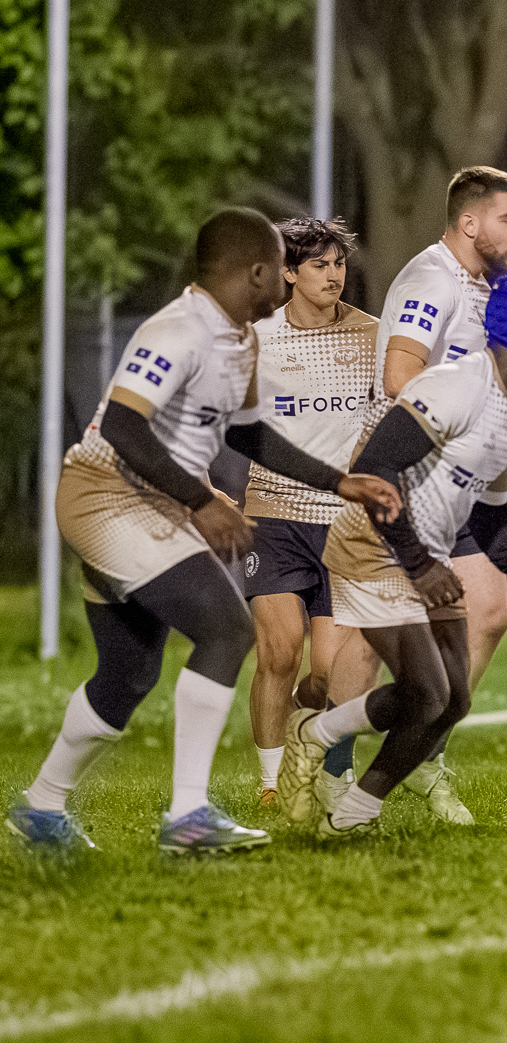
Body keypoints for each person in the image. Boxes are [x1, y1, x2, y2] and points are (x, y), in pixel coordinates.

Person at [5, 208, 399, 854]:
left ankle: (42, 809)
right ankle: (187, 816)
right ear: (257, 272)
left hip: (153, 503)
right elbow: (126, 429)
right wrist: (202, 500)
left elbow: (247, 434)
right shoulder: (179, 331)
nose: (292, 274)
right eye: (281, 264)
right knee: (227, 628)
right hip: (107, 495)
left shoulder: (240, 337)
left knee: (128, 676)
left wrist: (338, 481)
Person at [279, 273, 507, 839]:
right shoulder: (456, 385)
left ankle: (314, 737)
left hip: (421, 555)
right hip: (373, 545)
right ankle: (349, 818)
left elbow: (489, 521)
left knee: (451, 701)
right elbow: (374, 468)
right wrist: (419, 562)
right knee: (428, 693)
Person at [341, 164, 507, 821]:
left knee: (488, 614)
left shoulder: (485, 286)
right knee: (369, 640)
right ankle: (330, 766)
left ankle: (423, 755)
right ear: (469, 222)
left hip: (453, 484)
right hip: (405, 476)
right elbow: (401, 377)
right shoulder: (432, 278)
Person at [243, 217, 382, 808]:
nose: (333, 275)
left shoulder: (374, 337)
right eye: (319, 265)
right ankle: (272, 782)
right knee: (278, 650)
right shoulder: (257, 337)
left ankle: (307, 730)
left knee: (327, 677)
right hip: (273, 515)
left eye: (339, 263)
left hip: (345, 526)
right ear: (289, 274)